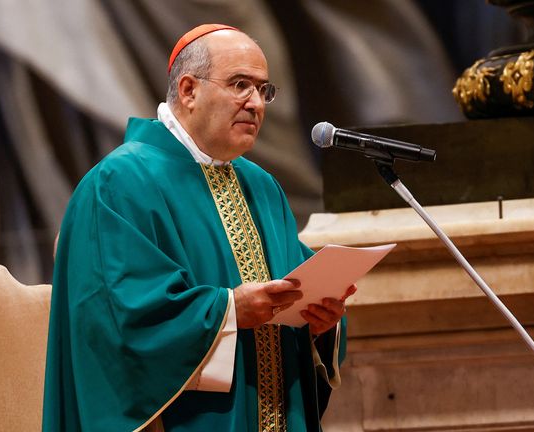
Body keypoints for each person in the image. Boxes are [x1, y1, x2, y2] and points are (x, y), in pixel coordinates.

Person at [43, 24, 354, 432]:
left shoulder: (261, 186)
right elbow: (118, 322)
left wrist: (322, 322)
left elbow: (295, 284)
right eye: (240, 84)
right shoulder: (118, 184)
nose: (256, 103)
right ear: (188, 90)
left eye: (264, 90)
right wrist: (229, 311)